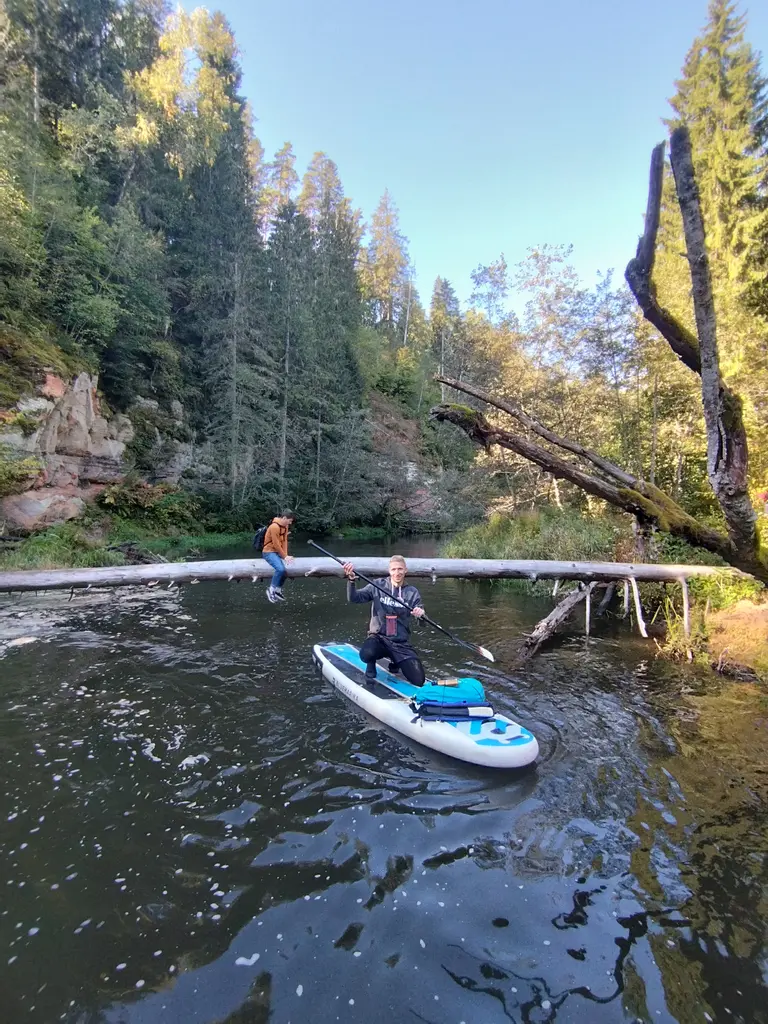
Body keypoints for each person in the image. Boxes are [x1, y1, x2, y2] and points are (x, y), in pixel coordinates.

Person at [342, 555, 426, 686]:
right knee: (367, 654)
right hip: (379, 638)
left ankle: (395, 661)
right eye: (393, 569)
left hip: (400, 643)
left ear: (405, 570)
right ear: (389, 571)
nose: (397, 573)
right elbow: (354, 598)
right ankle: (371, 663)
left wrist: (421, 615)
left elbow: (423, 623)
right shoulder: (377, 585)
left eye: (400, 569)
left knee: (418, 680)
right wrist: (351, 581)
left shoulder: (412, 592)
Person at [263, 510, 295, 603]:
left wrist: (286, 555)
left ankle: (278, 590)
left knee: (286, 570)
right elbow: (276, 544)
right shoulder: (274, 527)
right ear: (284, 518)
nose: (290, 522)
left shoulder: (285, 526)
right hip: (268, 552)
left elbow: (284, 541)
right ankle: (271, 590)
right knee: (280, 569)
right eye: (290, 520)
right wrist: (284, 557)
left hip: (278, 552)